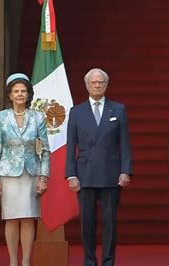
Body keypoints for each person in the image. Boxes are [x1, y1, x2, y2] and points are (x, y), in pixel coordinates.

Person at [66, 68, 132, 266]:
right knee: (87, 222)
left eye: (101, 82)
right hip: (85, 173)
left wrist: (125, 170)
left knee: (110, 222)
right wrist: (71, 174)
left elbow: (125, 143)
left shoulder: (118, 109)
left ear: (106, 85)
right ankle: (89, 260)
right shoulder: (76, 111)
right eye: (93, 83)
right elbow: (71, 145)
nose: (97, 85)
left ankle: (108, 261)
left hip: (110, 174)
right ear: (87, 85)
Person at [0, 73, 50, 266]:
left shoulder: (38, 117)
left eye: (23, 91)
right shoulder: (0, 117)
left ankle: (25, 261)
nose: (20, 94)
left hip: (30, 173)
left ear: (28, 94)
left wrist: (43, 177)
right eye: (16, 91)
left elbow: (45, 150)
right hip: (8, 173)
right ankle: (13, 261)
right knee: (11, 218)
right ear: (9, 95)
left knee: (27, 217)